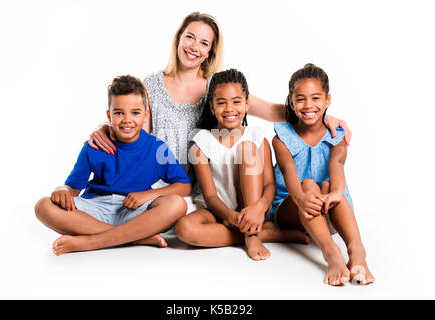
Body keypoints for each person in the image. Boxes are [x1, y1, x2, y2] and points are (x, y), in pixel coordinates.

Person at [87, 12, 352, 213]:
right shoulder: (152, 85)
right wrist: (106, 126)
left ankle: (252, 229)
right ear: (178, 38)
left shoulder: (215, 87)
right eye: (189, 37)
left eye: (204, 43)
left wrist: (318, 115)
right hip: (163, 183)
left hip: (208, 184)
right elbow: (132, 125)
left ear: (210, 51)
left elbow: (270, 110)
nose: (194, 47)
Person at [34, 75, 191, 255]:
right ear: (109, 115)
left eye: (135, 112)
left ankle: (92, 242)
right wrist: (61, 189)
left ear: (145, 114)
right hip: (96, 208)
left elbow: (184, 186)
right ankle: (137, 237)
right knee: (43, 206)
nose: (127, 119)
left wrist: (146, 195)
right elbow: (72, 189)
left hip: (135, 212)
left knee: (177, 205)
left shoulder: (157, 149)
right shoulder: (94, 146)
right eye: (119, 112)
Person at [174, 69, 310, 261]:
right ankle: (268, 234)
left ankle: (253, 235)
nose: (229, 109)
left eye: (236, 101)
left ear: (247, 104)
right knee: (184, 229)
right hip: (219, 210)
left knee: (247, 149)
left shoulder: (257, 137)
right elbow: (210, 196)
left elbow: (270, 185)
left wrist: (258, 209)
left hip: (253, 209)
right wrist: (230, 216)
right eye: (221, 103)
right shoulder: (201, 142)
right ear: (212, 107)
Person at [271, 64, 375, 285]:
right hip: (291, 208)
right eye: (300, 99)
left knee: (328, 186)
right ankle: (332, 254)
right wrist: (302, 199)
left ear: (328, 100)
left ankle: (357, 251)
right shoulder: (282, 138)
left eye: (316, 98)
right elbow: (290, 176)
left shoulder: (337, 138)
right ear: (291, 101)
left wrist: (335, 194)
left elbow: (337, 170)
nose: (308, 105)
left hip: (330, 212)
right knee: (308, 183)